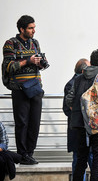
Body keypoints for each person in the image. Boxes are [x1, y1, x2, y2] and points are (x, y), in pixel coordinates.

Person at [1, 15, 48, 165]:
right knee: (22, 123)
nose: (34, 30)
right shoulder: (10, 44)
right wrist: (28, 60)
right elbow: (8, 66)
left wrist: (40, 63)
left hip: (35, 88)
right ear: (22, 29)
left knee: (35, 123)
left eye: (34, 27)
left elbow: (38, 64)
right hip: (20, 89)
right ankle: (22, 155)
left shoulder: (35, 43)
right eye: (30, 28)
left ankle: (30, 153)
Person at [66, 49, 98, 181]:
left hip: (80, 125)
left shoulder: (79, 78)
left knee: (81, 161)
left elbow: (69, 100)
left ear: (91, 62)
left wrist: (82, 112)